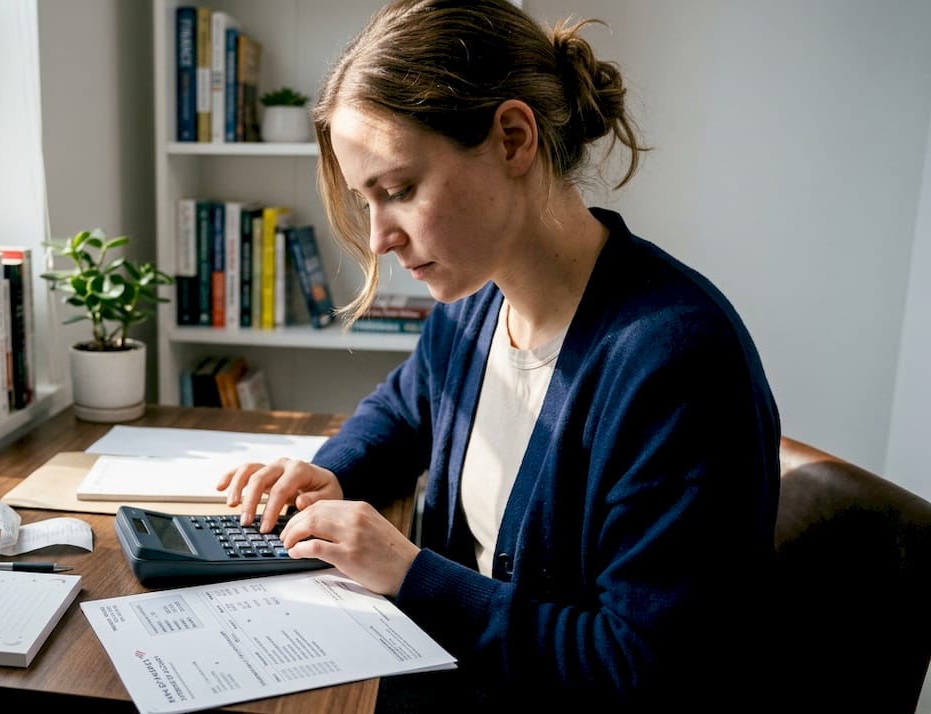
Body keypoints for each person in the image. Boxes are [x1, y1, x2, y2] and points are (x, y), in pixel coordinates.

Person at [217, 0, 780, 711]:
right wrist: (329, 473)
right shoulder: (475, 309)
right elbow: (401, 409)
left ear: (514, 137)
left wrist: (411, 572)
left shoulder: (676, 362)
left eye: (398, 191)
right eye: (367, 202)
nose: (380, 237)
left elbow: (642, 670)